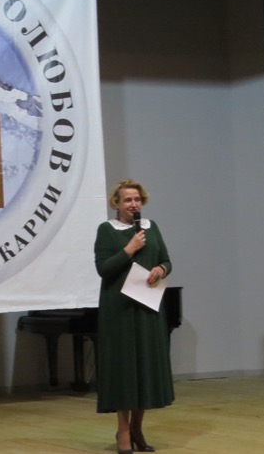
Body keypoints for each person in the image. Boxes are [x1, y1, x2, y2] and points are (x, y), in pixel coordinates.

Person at [95, 179, 174, 453]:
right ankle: (124, 431)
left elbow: (166, 260)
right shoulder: (107, 230)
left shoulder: (151, 227)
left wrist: (161, 270)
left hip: (147, 307)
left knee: (145, 369)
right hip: (119, 310)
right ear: (116, 203)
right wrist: (129, 249)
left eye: (137, 199)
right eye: (128, 200)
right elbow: (103, 269)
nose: (133, 204)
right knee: (125, 370)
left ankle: (138, 427)